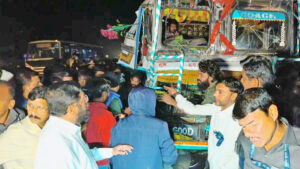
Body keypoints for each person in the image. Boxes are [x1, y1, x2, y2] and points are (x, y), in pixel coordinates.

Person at [34, 82, 132, 169]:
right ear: (72, 108)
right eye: (84, 99)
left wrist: (112, 151)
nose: (87, 103)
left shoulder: (65, 130)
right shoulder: (57, 145)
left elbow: (82, 156)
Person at [162, 78, 243, 169]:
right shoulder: (216, 108)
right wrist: (175, 94)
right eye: (215, 91)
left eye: (220, 92)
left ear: (233, 96)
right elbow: (192, 109)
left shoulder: (239, 118)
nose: (214, 94)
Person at [110, 87, 178, 169]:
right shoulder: (160, 126)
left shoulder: (118, 125)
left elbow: (111, 156)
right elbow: (170, 158)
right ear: (151, 102)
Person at [233, 88, 300, 169]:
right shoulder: (244, 139)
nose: (247, 134)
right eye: (243, 126)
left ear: (272, 112)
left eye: (253, 124)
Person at [0, 86, 49, 169]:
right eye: (30, 105)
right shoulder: (15, 132)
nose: (33, 112)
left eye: (40, 107)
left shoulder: (56, 130)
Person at [84, 78, 117, 169]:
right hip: (101, 161)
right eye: (107, 91)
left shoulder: (82, 110)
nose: (109, 94)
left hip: (83, 159)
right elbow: (111, 140)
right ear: (103, 93)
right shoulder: (105, 114)